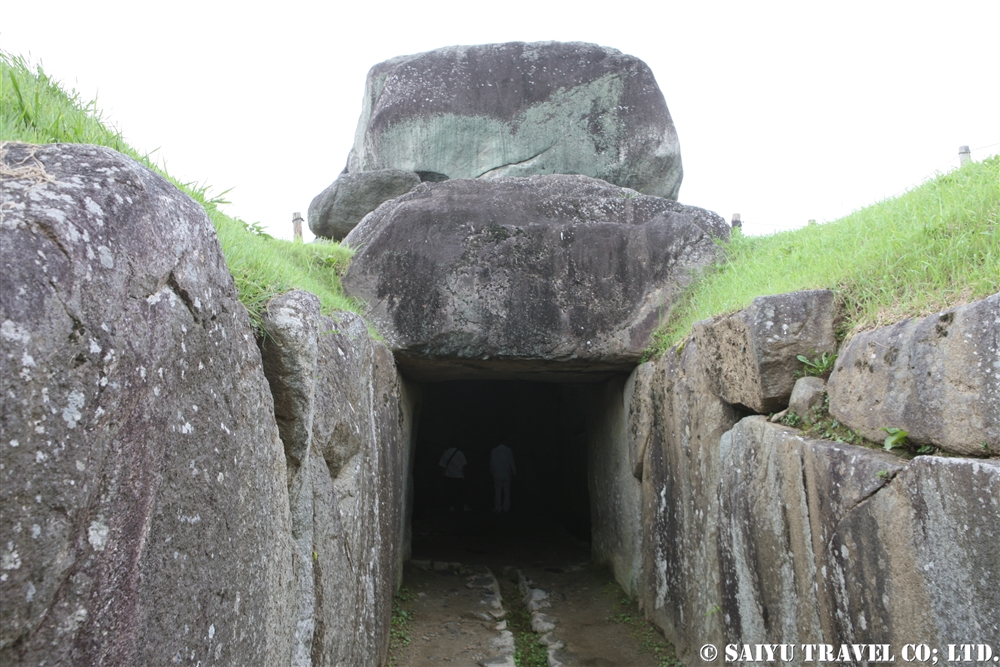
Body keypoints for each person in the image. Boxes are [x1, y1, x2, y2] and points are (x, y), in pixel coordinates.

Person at [438, 445, 468, 512]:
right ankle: (460, 507)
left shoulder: (446, 452)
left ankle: (450, 506)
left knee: (449, 492)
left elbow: (443, 465)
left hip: (449, 475)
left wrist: (443, 474)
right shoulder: (460, 453)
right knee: (459, 492)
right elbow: (464, 465)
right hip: (458, 476)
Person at [490, 443, 516, 513]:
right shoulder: (508, 450)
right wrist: (514, 472)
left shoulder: (494, 451)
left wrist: (491, 471)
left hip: (497, 474)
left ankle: (498, 507)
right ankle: (506, 507)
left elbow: (492, 462)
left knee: (498, 491)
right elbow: (511, 461)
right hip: (506, 474)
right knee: (507, 491)